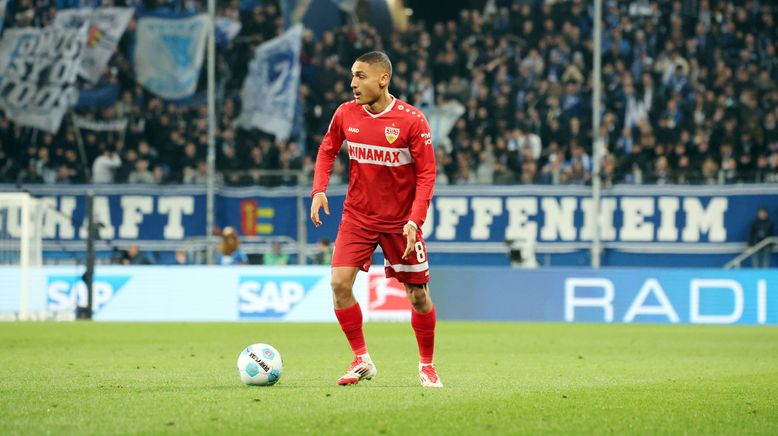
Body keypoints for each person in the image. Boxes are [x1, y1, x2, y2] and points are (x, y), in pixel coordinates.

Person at [310, 51, 440, 388]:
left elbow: (427, 175)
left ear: (383, 79)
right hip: (358, 216)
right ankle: (361, 359)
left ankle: (427, 366)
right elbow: (327, 149)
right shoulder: (345, 114)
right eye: (352, 75)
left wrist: (415, 220)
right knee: (339, 284)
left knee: (418, 297)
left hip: (401, 223)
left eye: (361, 76)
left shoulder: (412, 121)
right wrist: (318, 190)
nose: (353, 83)